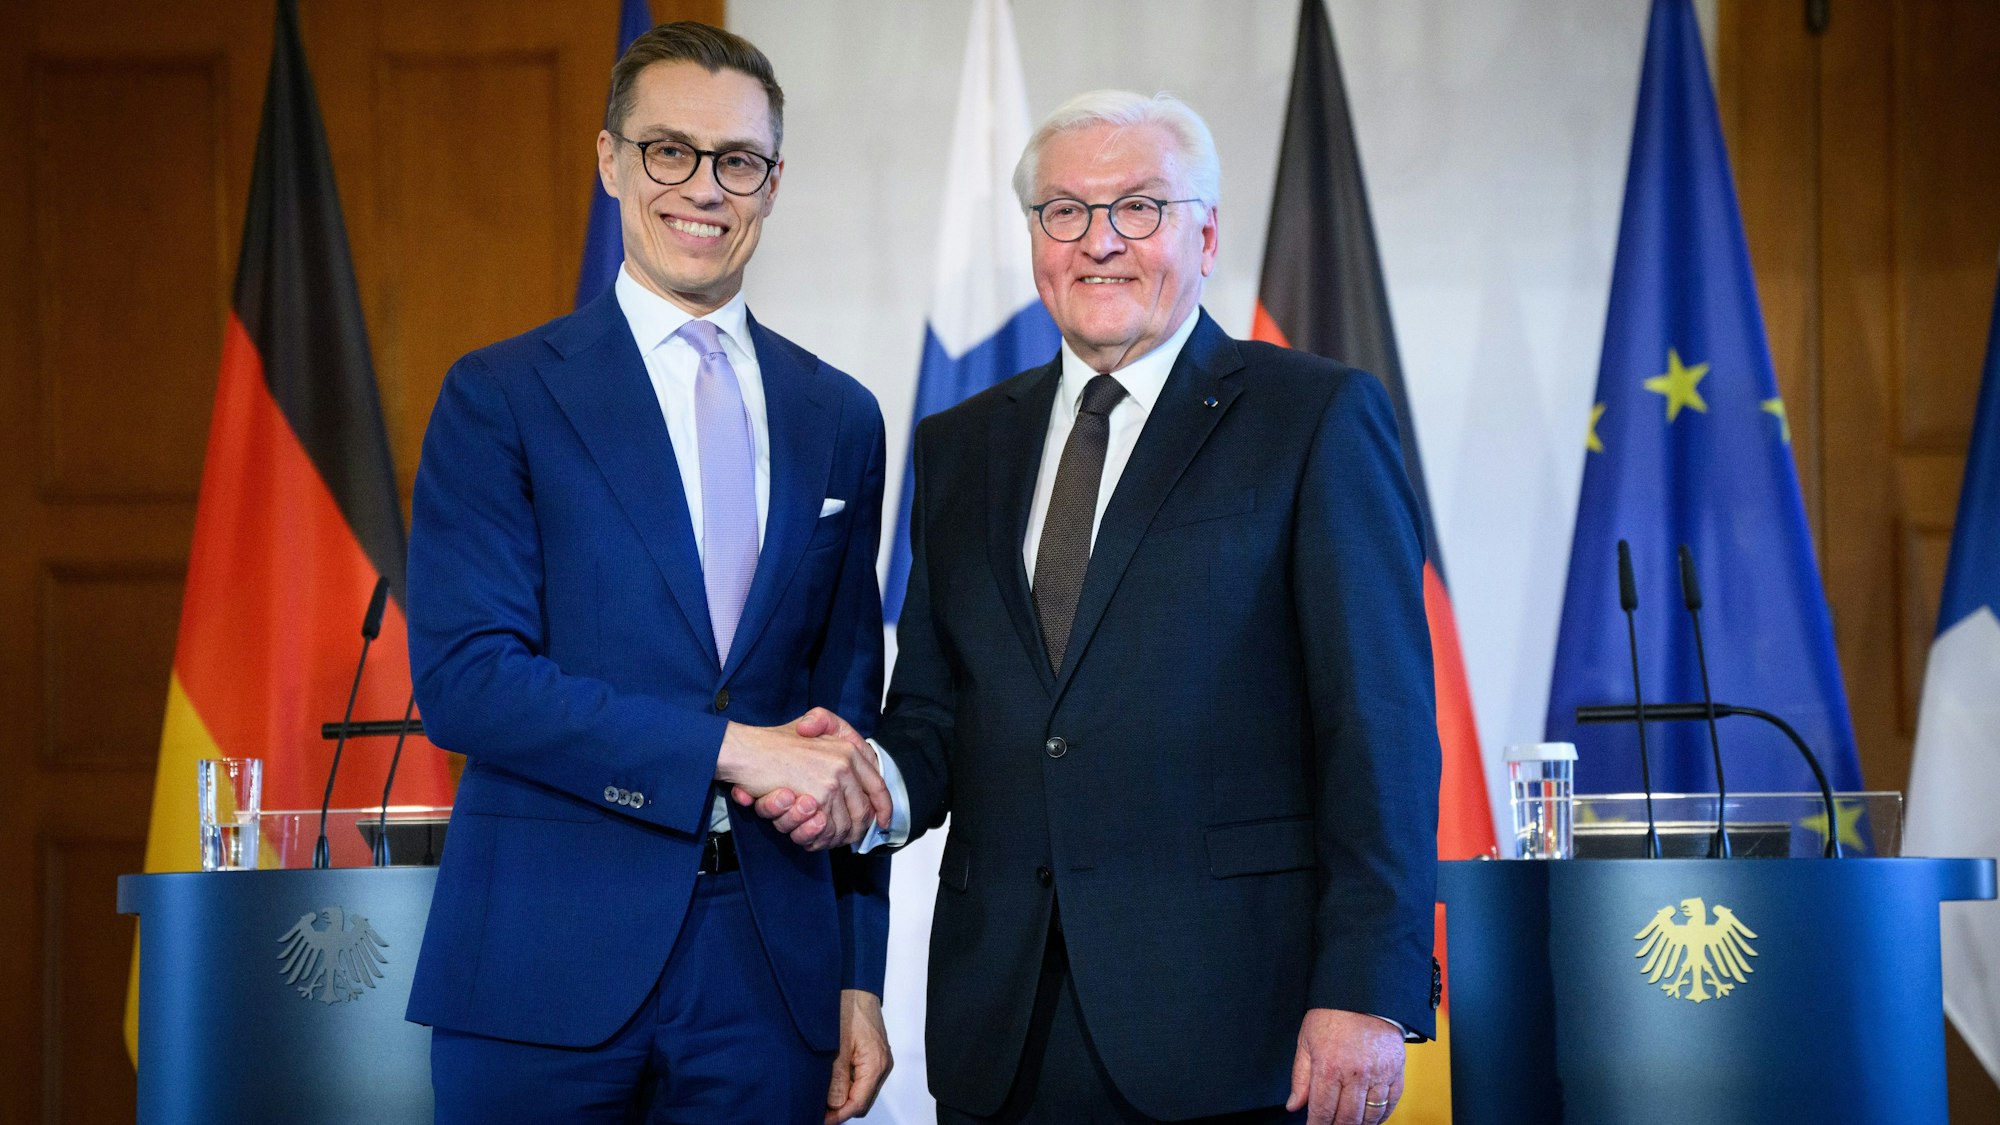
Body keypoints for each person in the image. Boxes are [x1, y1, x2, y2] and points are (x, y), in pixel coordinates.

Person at [761, 90, 1441, 1125]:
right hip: (1003, 1026)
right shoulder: (960, 445)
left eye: (1138, 208)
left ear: (1204, 235)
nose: (1099, 242)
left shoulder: (1312, 417)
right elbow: (941, 708)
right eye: (1065, 212)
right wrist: (868, 786)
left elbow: (1378, 727)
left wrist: (1365, 987)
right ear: (1034, 240)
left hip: (1234, 1026)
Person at [403, 22, 895, 1124]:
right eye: (668, 150)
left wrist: (857, 972)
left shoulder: (840, 417)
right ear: (611, 161)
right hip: (538, 965)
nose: (703, 189)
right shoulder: (502, 397)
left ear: (771, 183)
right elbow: (469, 682)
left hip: (772, 979)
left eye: (737, 161)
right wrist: (730, 748)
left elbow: (844, 726)